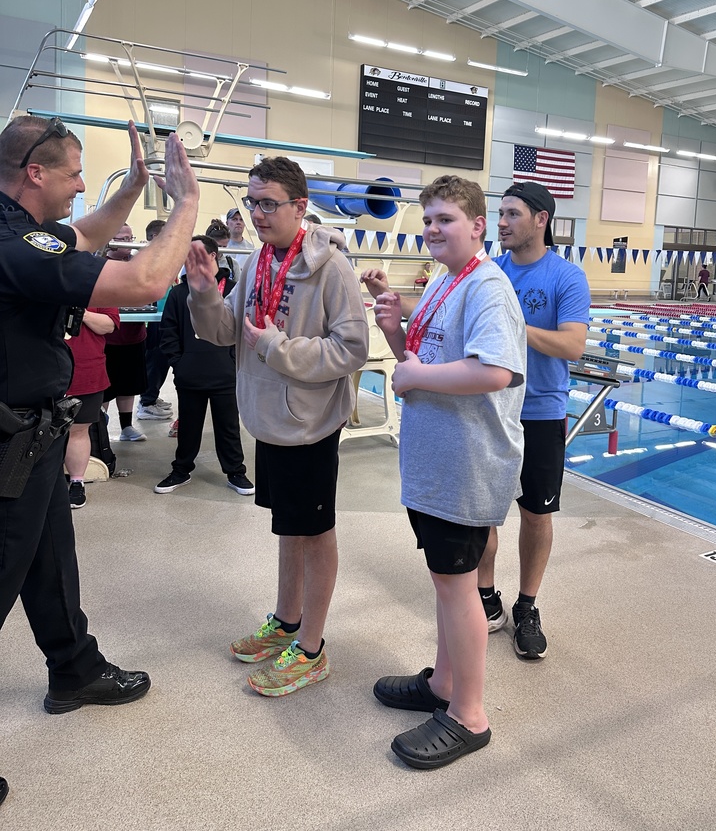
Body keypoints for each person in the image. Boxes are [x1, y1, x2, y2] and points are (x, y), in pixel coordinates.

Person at [0, 114, 198, 718]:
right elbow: (143, 280)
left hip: (35, 438)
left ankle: (75, 670)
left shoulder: (21, 233)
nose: (81, 185)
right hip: (8, 444)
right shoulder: (11, 245)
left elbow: (78, 239)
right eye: (74, 173)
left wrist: (132, 189)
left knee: (51, 556)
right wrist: (186, 203)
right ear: (35, 173)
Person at [185, 156, 368, 697]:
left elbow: (352, 348)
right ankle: (287, 623)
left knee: (315, 531)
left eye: (268, 203)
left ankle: (312, 650)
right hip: (269, 418)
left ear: (300, 206)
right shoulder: (259, 260)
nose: (258, 213)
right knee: (289, 526)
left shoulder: (331, 267)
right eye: (252, 202)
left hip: (309, 422)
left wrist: (275, 346)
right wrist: (203, 292)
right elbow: (226, 332)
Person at [368, 175, 525, 769]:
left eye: (446, 220)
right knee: (444, 579)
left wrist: (413, 378)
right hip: (436, 460)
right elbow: (427, 356)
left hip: (467, 462)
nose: (433, 229)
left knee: (459, 586)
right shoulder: (444, 280)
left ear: (478, 226)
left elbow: (493, 372)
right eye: (428, 219)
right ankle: (442, 685)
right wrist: (393, 333)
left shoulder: (487, 286)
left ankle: (470, 715)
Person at [483, 181, 590, 658]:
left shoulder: (566, 277)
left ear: (540, 219)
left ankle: (527, 605)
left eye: (511, 214)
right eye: (499, 213)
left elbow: (572, 345)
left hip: (542, 411)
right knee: (482, 509)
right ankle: (486, 596)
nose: (501, 222)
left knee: (536, 512)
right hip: (492, 406)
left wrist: (513, 325)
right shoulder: (491, 271)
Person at [154, 235, 254, 496]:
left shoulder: (233, 289)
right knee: (188, 426)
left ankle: (236, 472)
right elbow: (168, 332)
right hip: (190, 373)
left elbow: (243, 328)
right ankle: (181, 469)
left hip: (226, 373)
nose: (192, 261)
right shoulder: (178, 293)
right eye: (187, 256)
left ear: (213, 256)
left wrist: (236, 363)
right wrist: (179, 363)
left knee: (229, 426)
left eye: (197, 255)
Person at [64, 305, 120, 509]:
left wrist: (81, 313)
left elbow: (109, 325)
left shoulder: (99, 287)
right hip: (43, 368)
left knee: (78, 429)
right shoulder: (41, 281)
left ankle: (77, 482)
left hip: (86, 370)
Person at [102, 224, 149, 442]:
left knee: (128, 384)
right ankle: (98, 428)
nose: (129, 243)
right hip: (106, 338)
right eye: (124, 239)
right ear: (110, 240)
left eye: (131, 238)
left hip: (133, 335)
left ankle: (126, 427)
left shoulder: (137, 264)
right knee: (103, 386)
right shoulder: (100, 265)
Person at [137, 218, 174, 420]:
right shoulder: (146, 259)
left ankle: (153, 396)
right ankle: (147, 402)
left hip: (163, 316)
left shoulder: (164, 258)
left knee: (162, 360)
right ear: (154, 237)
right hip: (152, 318)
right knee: (155, 360)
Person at [206, 218, 241, 283]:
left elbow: (238, 289)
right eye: (218, 246)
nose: (220, 250)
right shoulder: (196, 262)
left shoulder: (233, 264)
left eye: (224, 247)